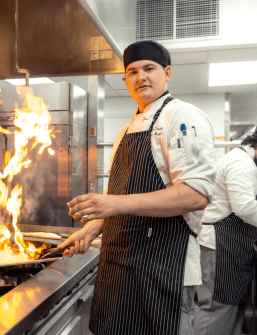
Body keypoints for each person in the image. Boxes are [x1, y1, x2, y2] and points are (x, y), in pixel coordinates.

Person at [58, 40, 216, 335]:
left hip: (164, 268)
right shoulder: (124, 132)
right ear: (125, 79)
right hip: (117, 267)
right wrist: (92, 228)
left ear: (167, 73)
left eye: (149, 68)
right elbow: (116, 198)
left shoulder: (182, 117)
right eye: (132, 72)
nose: (140, 77)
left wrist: (113, 204)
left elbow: (196, 194)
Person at [193, 130, 257, 335]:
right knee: (217, 311)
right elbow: (245, 207)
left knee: (231, 310)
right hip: (221, 249)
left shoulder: (244, 161)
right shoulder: (240, 164)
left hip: (230, 248)